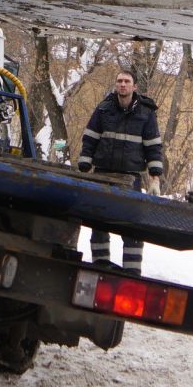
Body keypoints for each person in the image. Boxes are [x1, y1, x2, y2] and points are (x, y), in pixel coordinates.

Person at [76, 69, 166, 273]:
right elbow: (90, 137)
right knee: (99, 223)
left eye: (127, 81)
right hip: (102, 175)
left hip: (130, 178)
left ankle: (132, 273)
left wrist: (155, 176)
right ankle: (100, 267)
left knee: (132, 226)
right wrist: (84, 164)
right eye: (119, 81)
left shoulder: (146, 113)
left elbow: (153, 146)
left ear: (134, 87)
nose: (122, 84)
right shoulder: (103, 109)